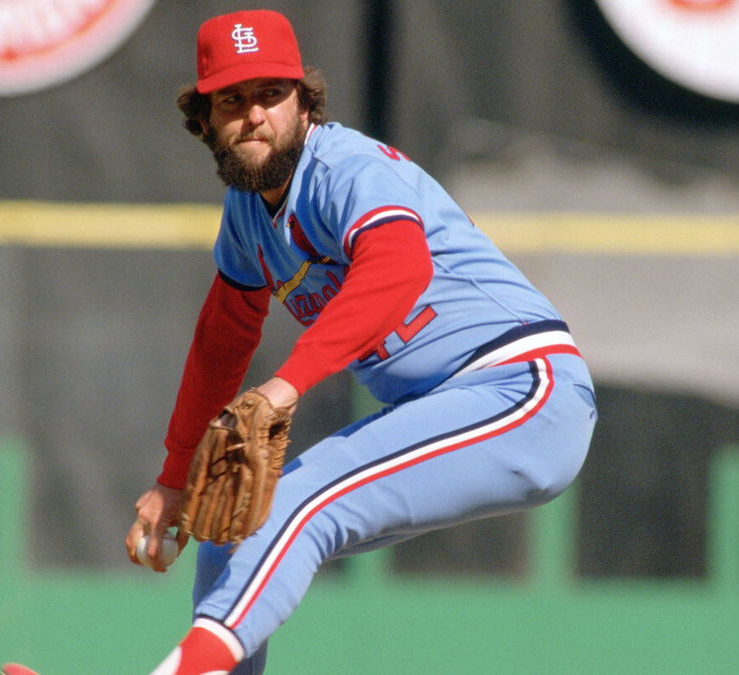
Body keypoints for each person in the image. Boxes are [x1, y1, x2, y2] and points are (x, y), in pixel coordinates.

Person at [127, 9, 596, 674]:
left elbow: (399, 266)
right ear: (204, 120)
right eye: (232, 99)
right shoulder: (246, 215)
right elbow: (220, 340)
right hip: (445, 404)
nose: (254, 114)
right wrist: (174, 479)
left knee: (300, 498)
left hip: (521, 387)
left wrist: (286, 384)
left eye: (271, 93)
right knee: (233, 534)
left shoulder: (345, 167)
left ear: (304, 100)